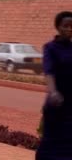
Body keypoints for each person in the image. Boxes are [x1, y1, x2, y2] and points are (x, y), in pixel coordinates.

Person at [36, 11, 72, 159]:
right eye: (66, 26)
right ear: (58, 27)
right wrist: (53, 92)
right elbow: (49, 72)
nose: (69, 29)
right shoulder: (50, 48)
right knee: (52, 142)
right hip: (56, 103)